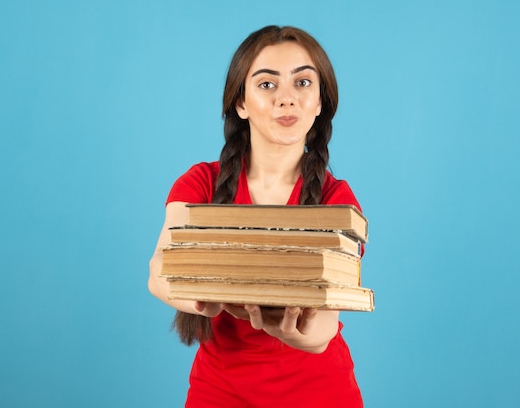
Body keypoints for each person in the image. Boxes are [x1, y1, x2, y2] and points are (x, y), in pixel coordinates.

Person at [149, 25, 365, 407]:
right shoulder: (201, 182)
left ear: (319, 103)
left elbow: (323, 328)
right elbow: (160, 271)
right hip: (219, 391)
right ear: (241, 103)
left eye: (302, 83)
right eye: (267, 85)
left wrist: (290, 333)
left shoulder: (338, 200)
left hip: (321, 393)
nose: (287, 99)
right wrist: (205, 299)